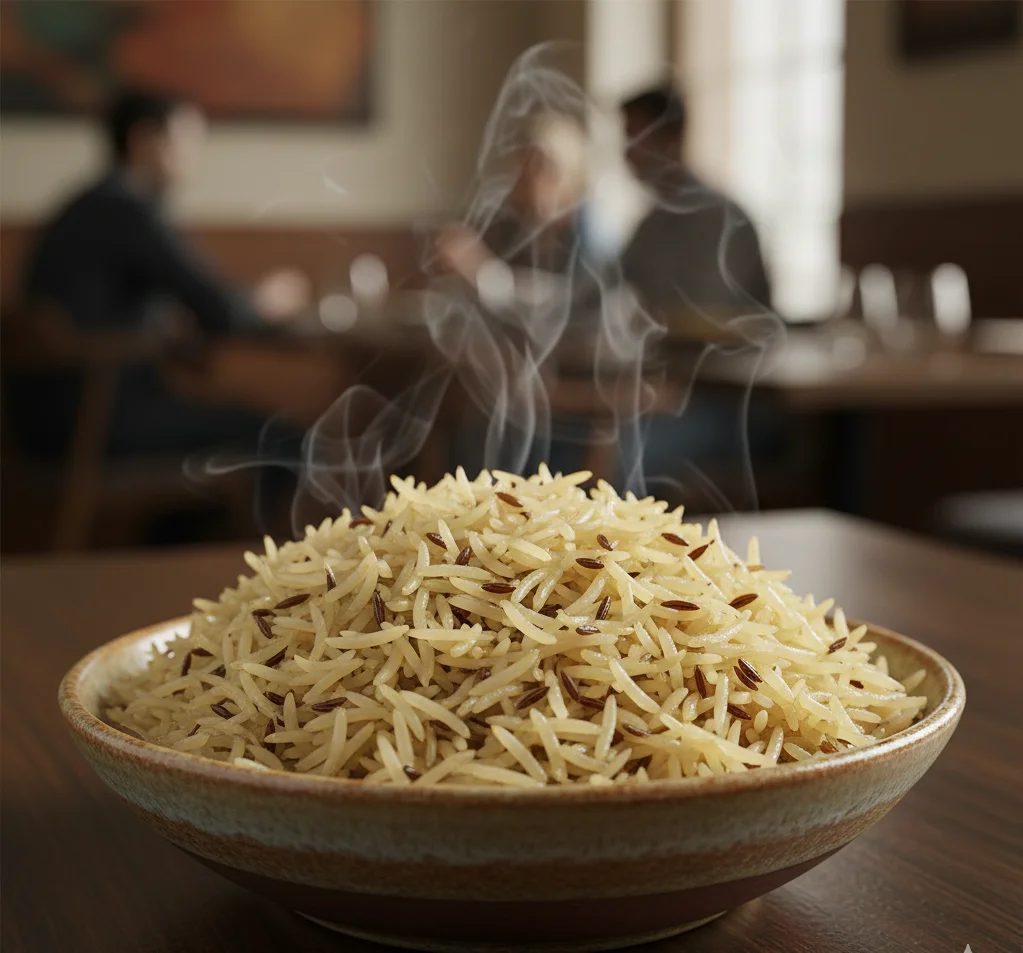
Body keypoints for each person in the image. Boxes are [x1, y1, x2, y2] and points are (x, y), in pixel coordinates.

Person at [11, 87, 310, 458]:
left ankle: (194, 518)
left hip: (43, 417)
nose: (193, 157)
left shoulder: (85, 205)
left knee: (243, 432)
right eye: (185, 141)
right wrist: (269, 300)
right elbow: (219, 309)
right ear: (142, 139)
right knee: (282, 438)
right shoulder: (127, 212)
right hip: (94, 418)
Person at [619, 83, 771, 315]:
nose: (627, 153)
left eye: (636, 137)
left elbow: (705, 316)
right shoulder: (652, 223)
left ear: (673, 137)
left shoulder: (720, 220)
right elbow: (610, 289)